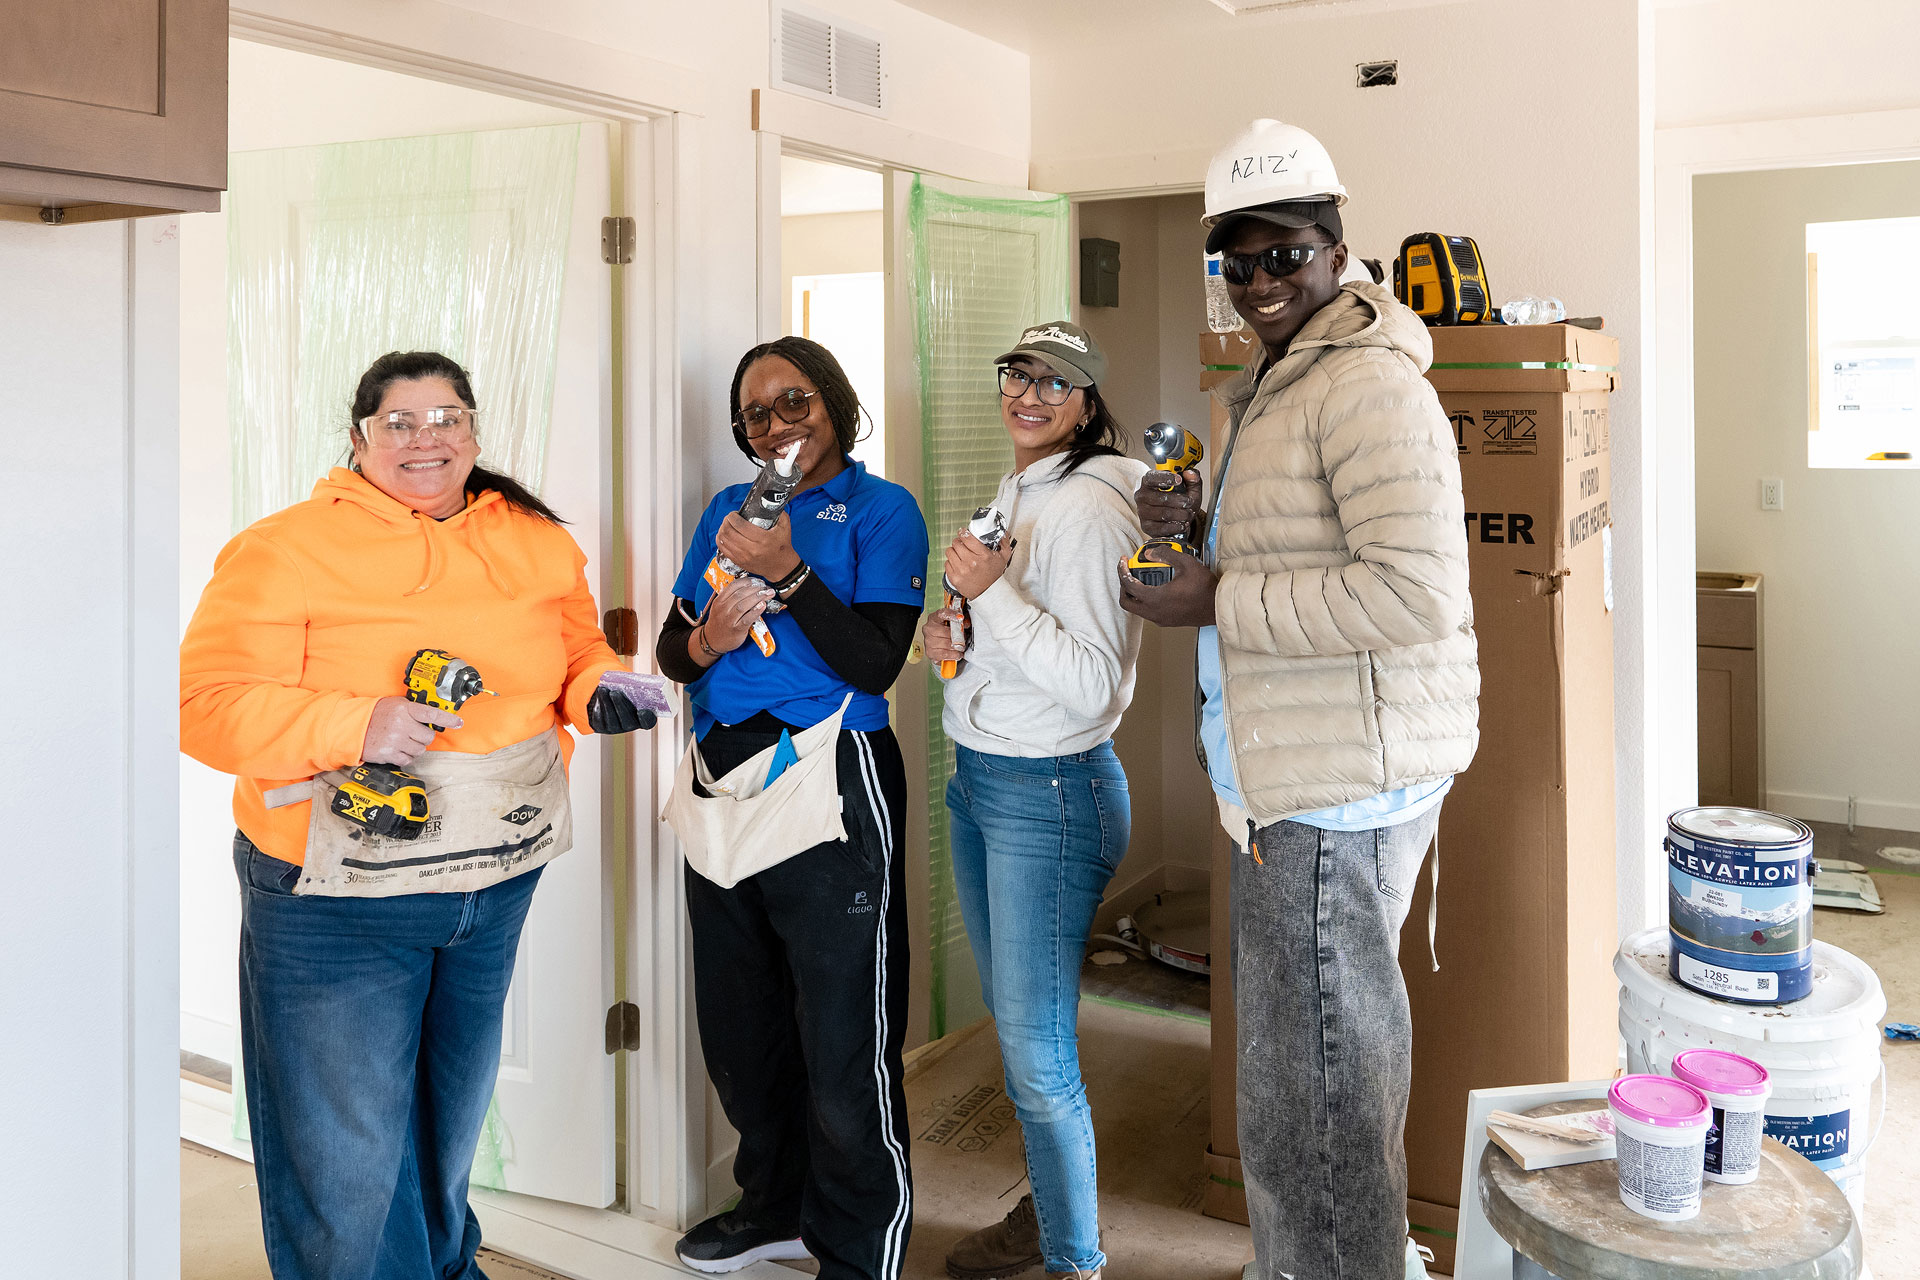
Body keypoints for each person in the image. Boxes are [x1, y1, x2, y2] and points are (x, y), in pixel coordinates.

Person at [179, 350, 659, 1280]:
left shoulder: (532, 537)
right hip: (338, 895)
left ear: (474, 431)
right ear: (358, 440)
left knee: (446, 1125)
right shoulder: (286, 548)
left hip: (494, 875)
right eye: (398, 422)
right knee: (346, 1150)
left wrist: (602, 690)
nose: (424, 438)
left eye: (445, 418)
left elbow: (576, 650)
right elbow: (204, 701)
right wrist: (356, 723)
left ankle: (443, 1268)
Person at [1118, 120, 1480, 1280]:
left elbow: (1412, 593)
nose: (1263, 281)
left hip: (1338, 792)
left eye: (1287, 255)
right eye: (1240, 260)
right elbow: (1306, 546)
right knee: (1307, 1084)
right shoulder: (1276, 379)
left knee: (1314, 1101)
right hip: (1296, 781)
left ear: (1337, 250)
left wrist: (1219, 593)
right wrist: (1195, 535)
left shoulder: (1368, 385)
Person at [655, 336, 929, 1279]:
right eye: (757, 412)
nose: (776, 424)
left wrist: (789, 573)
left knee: (844, 1033)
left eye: (795, 401)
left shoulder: (883, 511)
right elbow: (670, 649)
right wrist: (708, 639)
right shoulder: (727, 514)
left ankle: (859, 1251)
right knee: (741, 1028)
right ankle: (773, 1205)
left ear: (835, 405)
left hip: (833, 773)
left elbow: (877, 662)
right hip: (718, 777)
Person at [922, 323, 1147, 1280]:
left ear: (1088, 403)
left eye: (1057, 383)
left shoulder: (1093, 505)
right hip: (984, 782)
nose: (1030, 393)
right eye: (1018, 373)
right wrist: (957, 637)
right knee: (1025, 1051)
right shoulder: (1024, 488)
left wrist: (994, 595)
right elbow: (1017, 647)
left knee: (1039, 1055)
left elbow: (1095, 685)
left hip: (1048, 795)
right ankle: (1046, 1216)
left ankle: (1073, 1261)